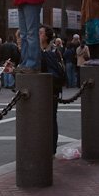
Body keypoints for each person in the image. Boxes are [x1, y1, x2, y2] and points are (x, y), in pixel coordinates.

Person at [39, 25, 65, 153]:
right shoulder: (42, 50)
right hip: (45, 90)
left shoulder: (52, 52)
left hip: (50, 91)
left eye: (41, 33)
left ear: (47, 36)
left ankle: (51, 148)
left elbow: (54, 72)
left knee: (50, 119)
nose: (39, 35)